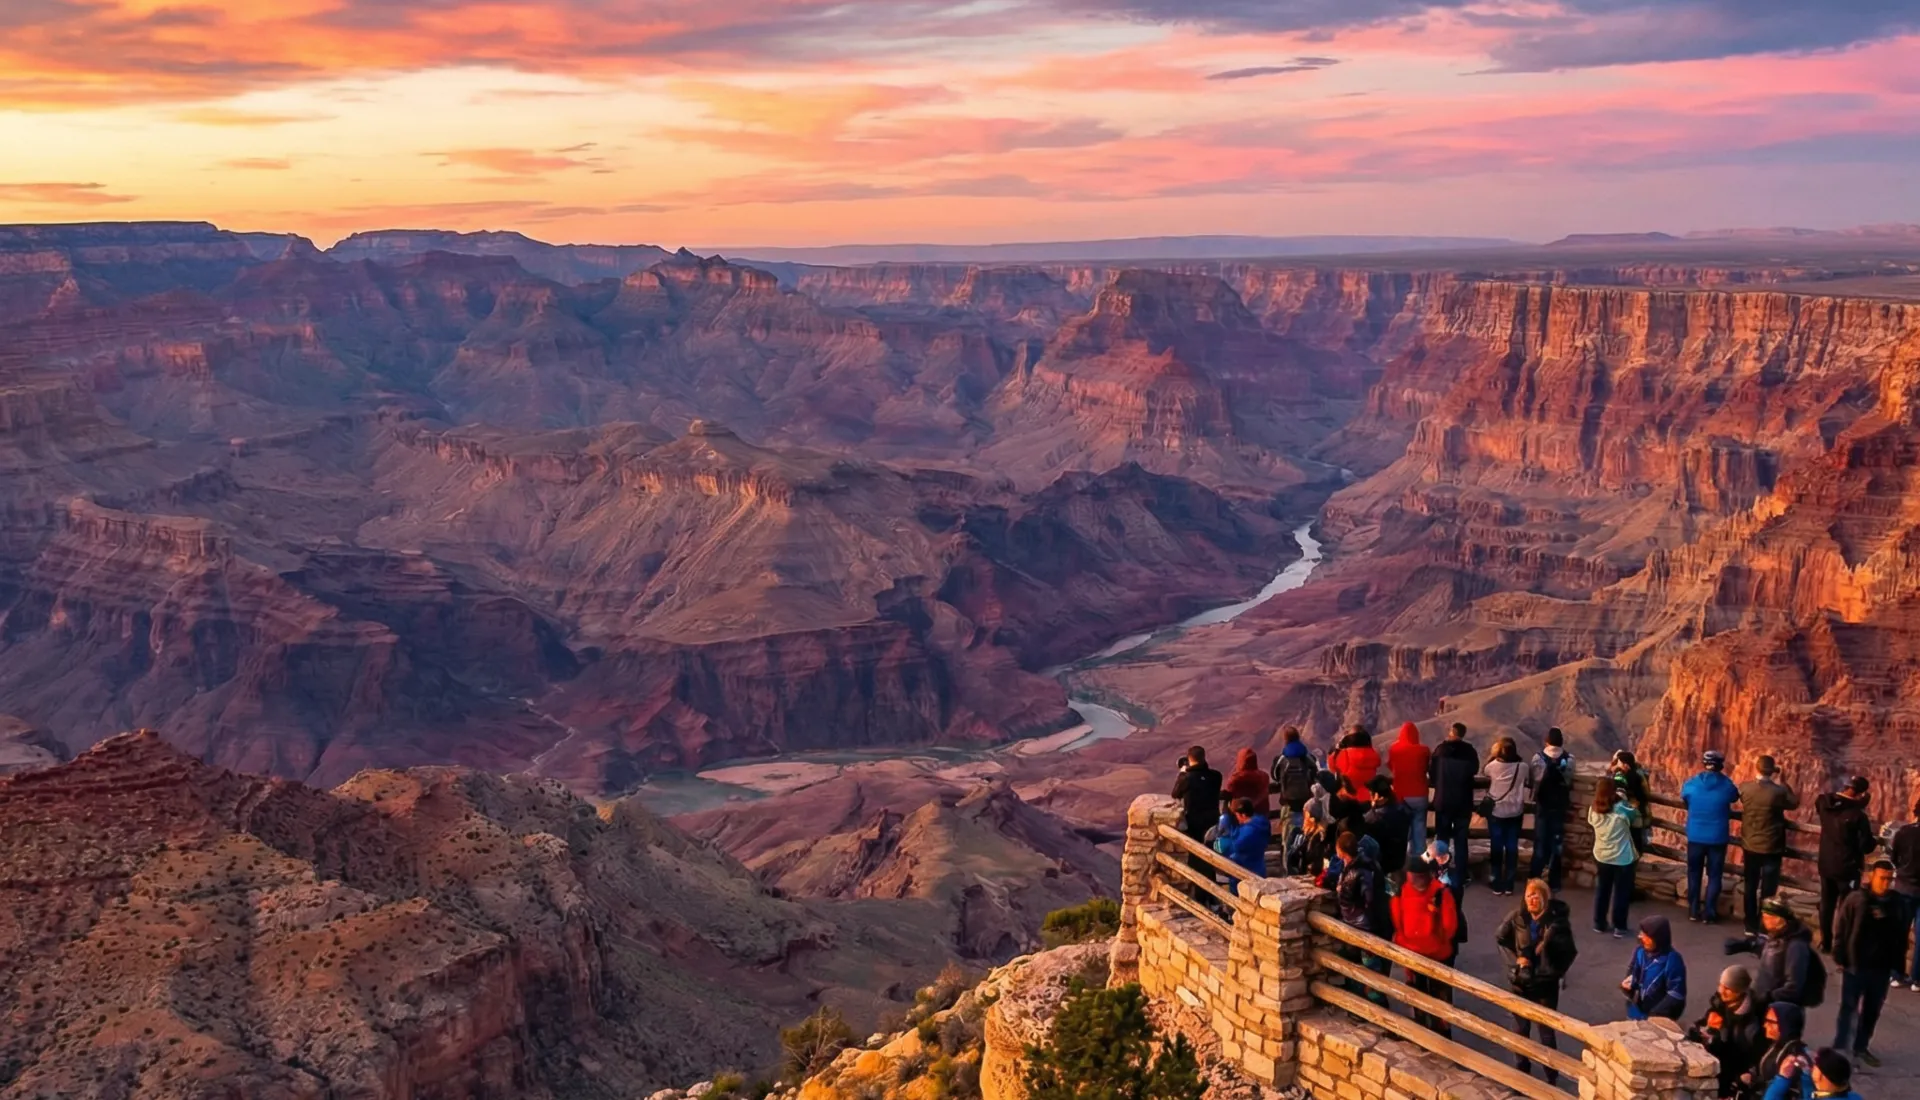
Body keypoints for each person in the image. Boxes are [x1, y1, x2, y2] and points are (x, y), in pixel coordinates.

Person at [1495, 879, 1578, 1085]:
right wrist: (1516, 963)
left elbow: (1568, 953)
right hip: (1520, 985)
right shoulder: (1516, 917)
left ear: (1545, 899)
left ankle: (1551, 1078)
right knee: (1520, 1031)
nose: (1532, 899)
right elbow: (1501, 938)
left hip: (1545, 988)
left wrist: (1549, 973)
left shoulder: (1557, 925)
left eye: (1536, 895)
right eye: (1528, 895)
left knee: (1546, 1034)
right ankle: (1522, 1074)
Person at [1831, 860, 1900, 1066]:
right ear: (1871, 877)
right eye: (1882, 878)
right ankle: (1841, 1047)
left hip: (1881, 968)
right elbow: (1842, 927)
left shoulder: (1895, 903)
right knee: (1848, 1008)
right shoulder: (1857, 899)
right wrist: (1840, 956)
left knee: (1871, 1011)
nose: (1885, 883)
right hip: (1856, 965)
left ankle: (1860, 1047)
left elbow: (1899, 934)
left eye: (1889, 879)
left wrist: (1897, 964)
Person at [1391, 856, 1460, 1037]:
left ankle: (1421, 1032)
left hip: (1414, 953)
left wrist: (1403, 940)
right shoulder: (1441, 891)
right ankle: (1442, 1035)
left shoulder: (1403, 890)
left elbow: (1397, 918)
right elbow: (1450, 925)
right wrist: (1440, 940)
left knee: (1418, 994)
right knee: (1440, 997)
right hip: (1436, 953)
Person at [1726, 898, 1826, 1011]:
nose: (1764, 920)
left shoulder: (1796, 947)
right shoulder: (1777, 936)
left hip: (1778, 1010)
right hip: (1762, 1001)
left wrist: (1768, 997)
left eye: (1768, 917)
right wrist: (1746, 945)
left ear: (1779, 919)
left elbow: (1793, 987)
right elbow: (1771, 952)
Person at [1815, 777, 1877, 953]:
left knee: (1826, 903)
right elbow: (1866, 846)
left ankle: (1825, 942)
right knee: (1846, 907)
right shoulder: (1858, 816)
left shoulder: (1825, 804)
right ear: (1861, 794)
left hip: (1826, 864)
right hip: (1847, 868)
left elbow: (1825, 799)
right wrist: (1858, 806)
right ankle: (1839, 946)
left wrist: (1852, 802)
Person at [1740, 756, 1801, 935]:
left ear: (1756, 768)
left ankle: (1749, 925)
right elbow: (1794, 803)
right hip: (1772, 847)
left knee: (1750, 886)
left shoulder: (1745, 788)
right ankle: (1764, 926)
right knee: (1768, 890)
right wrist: (1784, 782)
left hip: (1750, 845)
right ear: (1772, 771)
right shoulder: (1778, 792)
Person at [1684, 750, 1743, 924]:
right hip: (1717, 838)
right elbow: (1735, 797)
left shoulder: (1692, 783)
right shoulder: (1726, 785)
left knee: (1694, 873)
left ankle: (1693, 910)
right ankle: (1709, 913)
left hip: (1695, 836)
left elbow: (1685, 798)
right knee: (1714, 875)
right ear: (1720, 765)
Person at [1689, 966, 1764, 1100]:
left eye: (1728, 988)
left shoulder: (1751, 1023)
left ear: (1740, 991)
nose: (1721, 991)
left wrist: (1716, 1034)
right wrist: (1701, 1029)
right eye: (1721, 985)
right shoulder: (1719, 1005)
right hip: (1713, 1069)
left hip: (1730, 1078)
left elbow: (1744, 1056)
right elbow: (1701, 1027)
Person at [1333, 831, 1392, 999]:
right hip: (1360, 924)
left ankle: (1375, 1005)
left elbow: (1367, 899)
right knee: (1361, 970)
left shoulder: (1358, 871)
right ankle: (1365, 1003)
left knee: (1370, 971)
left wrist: (1341, 890)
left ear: (1342, 851)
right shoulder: (1362, 864)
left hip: (1363, 926)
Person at [1591, 774, 1646, 936]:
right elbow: (1637, 820)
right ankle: (1619, 926)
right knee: (1621, 892)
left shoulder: (1593, 809)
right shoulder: (1622, 809)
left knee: (1603, 890)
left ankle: (1599, 923)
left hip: (1602, 855)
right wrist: (1629, 802)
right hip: (1622, 857)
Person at [1429, 723, 1480, 893]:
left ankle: (1440, 873)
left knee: (1442, 839)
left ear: (1451, 732)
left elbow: (1432, 774)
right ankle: (1461, 876)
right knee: (1461, 841)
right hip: (1463, 802)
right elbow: (1474, 770)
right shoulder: (1469, 752)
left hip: (1443, 801)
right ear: (1463, 734)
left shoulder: (1440, 751)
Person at [1172, 747, 1225, 894]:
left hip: (1194, 823)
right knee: (1210, 856)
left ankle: (1201, 894)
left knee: (1196, 859)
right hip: (1213, 821)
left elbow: (1175, 793)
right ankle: (1212, 894)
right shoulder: (1216, 776)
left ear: (1189, 759)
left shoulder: (1186, 779)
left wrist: (1183, 772)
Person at [1528, 728, 1576, 890]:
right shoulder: (1570, 760)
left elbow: (1534, 780)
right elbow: (1569, 781)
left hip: (1543, 806)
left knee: (1540, 842)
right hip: (1560, 806)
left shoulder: (1538, 758)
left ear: (1546, 741)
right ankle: (1554, 882)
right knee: (1556, 844)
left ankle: (1534, 878)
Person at [1483, 737, 1528, 896]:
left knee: (1496, 847)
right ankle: (1509, 884)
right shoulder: (1523, 767)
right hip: (1515, 812)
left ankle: (1496, 882)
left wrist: (1493, 755)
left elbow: (1484, 770)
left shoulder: (1493, 767)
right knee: (1511, 847)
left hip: (1497, 812)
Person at [1624, 915, 1689, 1020]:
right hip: (1640, 1006)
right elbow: (1633, 969)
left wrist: (1654, 1015)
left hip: (1660, 1013)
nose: (1641, 937)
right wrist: (1629, 983)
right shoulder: (1640, 951)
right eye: (1641, 934)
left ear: (1658, 938)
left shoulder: (1672, 960)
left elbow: (1676, 994)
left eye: (1646, 936)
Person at [1388, 721, 1432, 863]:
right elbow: (1427, 768)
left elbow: (1391, 766)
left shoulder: (1394, 749)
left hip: (1401, 794)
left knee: (1402, 830)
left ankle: (1403, 863)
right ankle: (1420, 864)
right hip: (1420, 794)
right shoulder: (1424, 750)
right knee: (1419, 829)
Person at [1890, 798, 1920, 991]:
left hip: (1904, 887)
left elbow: (1894, 857)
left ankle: (1897, 975)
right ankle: (1917, 979)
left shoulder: (1904, 832)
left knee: (1899, 933)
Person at [1766, 1048, 1863, 1100]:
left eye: (1815, 1065)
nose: (1812, 1066)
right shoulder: (1855, 1097)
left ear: (1821, 1076)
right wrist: (1807, 1076)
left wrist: (1782, 1078)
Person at [1364, 776, 1413, 877]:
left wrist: (1372, 809)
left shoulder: (1375, 818)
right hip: (1399, 860)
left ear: (1379, 797)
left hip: (1383, 863)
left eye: (1371, 794)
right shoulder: (1402, 809)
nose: (1369, 797)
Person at [1215, 797, 1273, 880]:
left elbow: (1228, 847)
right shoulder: (1261, 824)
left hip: (1243, 874)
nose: (1236, 818)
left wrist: (1225, 824)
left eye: (1236, 815)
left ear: (1243, 815)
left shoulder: (1247, 833)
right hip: (1259, 870)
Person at [1612, 749, 1654, 856]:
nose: (1617, 764)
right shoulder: (1638, 774)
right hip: (1638, 812)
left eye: (1619, 762)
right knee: (1636, 842)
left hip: (1630, 813)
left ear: (1625, 764)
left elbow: (1620, 793)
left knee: (1629, 843)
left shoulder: (1625, 777)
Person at [1329, 725, 1382, 804]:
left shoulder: (1344, 755)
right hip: (1369, 796)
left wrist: (1339, 747)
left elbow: (1332, 767)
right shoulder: (1373, 754)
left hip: (1350, 798)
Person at [1223, 748, 1272, 817]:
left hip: (1241, 817)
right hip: (1261, 816)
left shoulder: (1235, 779)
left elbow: (1228, 789)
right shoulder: (1264, 776)